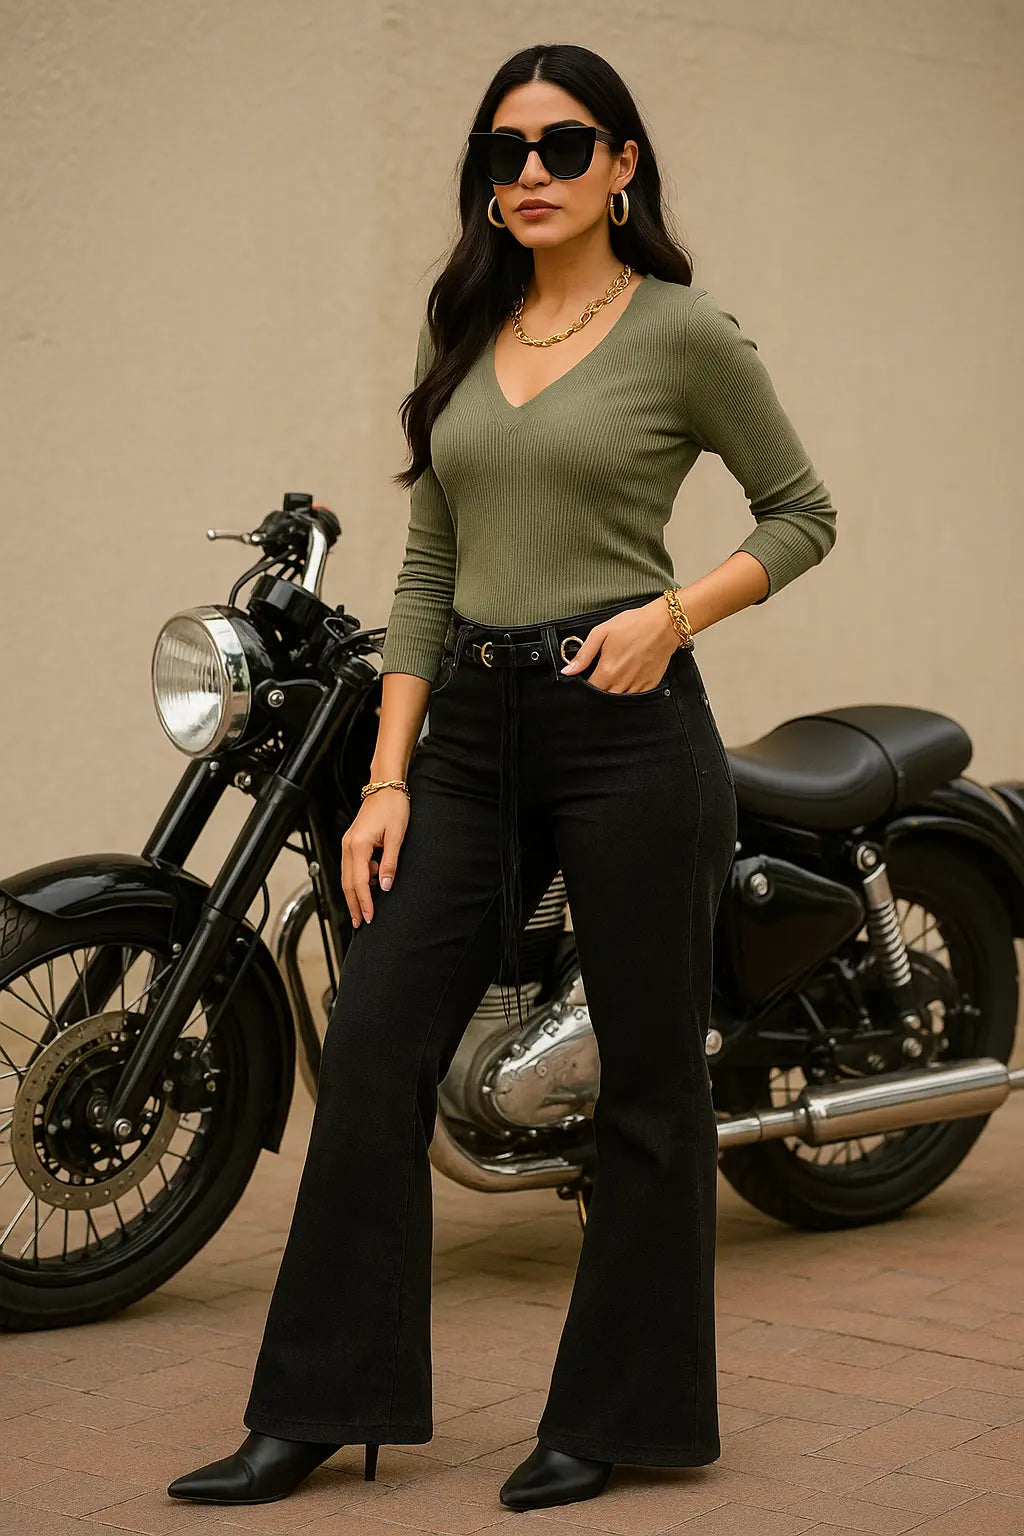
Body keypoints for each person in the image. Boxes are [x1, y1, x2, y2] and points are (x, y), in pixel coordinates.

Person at [167, 40, 836, 1515]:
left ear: (622, 165)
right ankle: (315, 1412)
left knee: (654, 1089)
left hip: (630, 740)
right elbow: (427, 563)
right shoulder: (467, 328)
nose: (526, 173)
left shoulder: (681, 331)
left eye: (559, 145)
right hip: (467, 738)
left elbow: (801, 513)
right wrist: (391, 778)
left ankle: (616, 1418)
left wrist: (671, 617)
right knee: (379, 1050)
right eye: (503, 152)